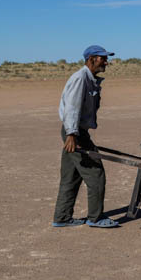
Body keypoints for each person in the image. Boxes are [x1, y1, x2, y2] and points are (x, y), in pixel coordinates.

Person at [52, 45, 120, 228]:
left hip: (75, 132)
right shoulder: (80, 79)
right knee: (96, 173)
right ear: (91, 59)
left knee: (71, 176)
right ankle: (95, 218)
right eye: (103, 59)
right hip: (74, 133)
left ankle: (62, 217)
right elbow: (72, 108)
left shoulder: (90, 79)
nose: (106, 62)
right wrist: (72, 134)